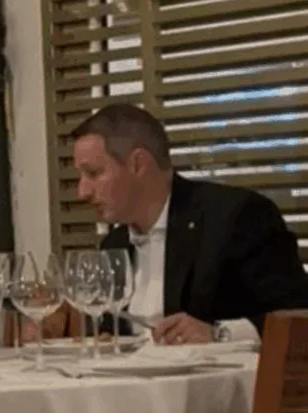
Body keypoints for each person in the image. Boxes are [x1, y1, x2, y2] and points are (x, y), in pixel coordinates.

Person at [28, 103, 308, 344]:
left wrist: (218, 333)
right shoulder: (114, 245)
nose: (82, 192)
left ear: (138, 164)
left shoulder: (236, 217)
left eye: (93, 173)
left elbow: (298, 316)